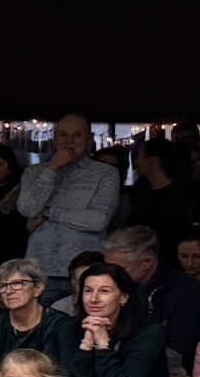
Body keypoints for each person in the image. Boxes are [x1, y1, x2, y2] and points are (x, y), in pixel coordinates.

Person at [18, 112, 123, 304]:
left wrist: (48, 213)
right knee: (40, 323)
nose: (69, 141)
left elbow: (98, 220)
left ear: (89, 138)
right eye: (63, 135)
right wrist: (52, 168)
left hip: (87, 273)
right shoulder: (34, 172)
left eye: (77, 135)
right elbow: (27, 209)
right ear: (54, 138)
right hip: (40, 271)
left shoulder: (106, 173)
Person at [103, 223, 200, 375]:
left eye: (121, 269)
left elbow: (179, 351)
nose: (111, 275)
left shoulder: (187, 291)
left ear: (147, 262)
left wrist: (130, 367)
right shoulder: (109, 286)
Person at [127, 136, 193, 261]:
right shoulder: (140, 188)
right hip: (141, 256)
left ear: (152, 161)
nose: (135, 162)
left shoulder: (179, 196)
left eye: (138, 157)